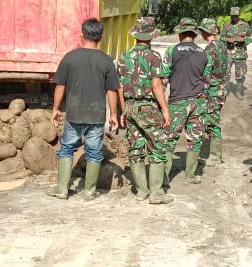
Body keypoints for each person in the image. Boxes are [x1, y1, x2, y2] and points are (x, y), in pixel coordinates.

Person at [50, 18, 120, 200]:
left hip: (74, 113)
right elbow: (112, 90)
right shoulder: (106, 61)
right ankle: (89, 191)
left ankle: (62, 189)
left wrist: (56, 108)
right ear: (101, 37)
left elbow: (60, 86)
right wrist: (113, 114)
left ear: (82, 35)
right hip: (96, 116)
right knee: (94, 152)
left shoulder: (70, 58)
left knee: (66, 149)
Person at [116, 17, 173, 204]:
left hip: (130, 106)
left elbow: (120, 87)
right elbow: (157, 85)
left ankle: (141, 190)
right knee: (157, 146)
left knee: (136, 147)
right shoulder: (153, 56)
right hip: (148, 107)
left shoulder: (124, 57)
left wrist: (123, 110)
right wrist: (165, 109)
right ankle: (156, 193)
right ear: (150, 36)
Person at [160, 17, 208, 185]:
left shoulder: (172, 50)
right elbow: (207, 80)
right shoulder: (203, 53)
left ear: (180, 34)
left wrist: (161, 104)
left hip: (177, 102)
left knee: (170, 139)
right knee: (195, 139)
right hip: (198, 101)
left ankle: (164, 178)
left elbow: (163, 78)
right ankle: (190, 176)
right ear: (194, 35)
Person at [198, 17, 229, 165]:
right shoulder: (222, 46)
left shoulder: (210, 49)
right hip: (222, 87)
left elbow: (206, 72)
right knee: (213, 119)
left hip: (213, 90)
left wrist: (201, 90)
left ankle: (215, 156)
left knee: (212, 121)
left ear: (205, 32)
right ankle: (215, 154)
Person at [221, 6, 252, 97]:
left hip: (240, 53)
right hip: (228, 53)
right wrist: (227, 39)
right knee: (226, 73)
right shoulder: (226, 25)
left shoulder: (245, 25)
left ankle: (239, 91)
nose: (233, 17)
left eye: (235, 15)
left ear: (239, 15)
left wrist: (244, 40)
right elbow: (221, 37)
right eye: (232, 16)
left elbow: (251, 37)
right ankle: (225, 91)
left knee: (240, 74)